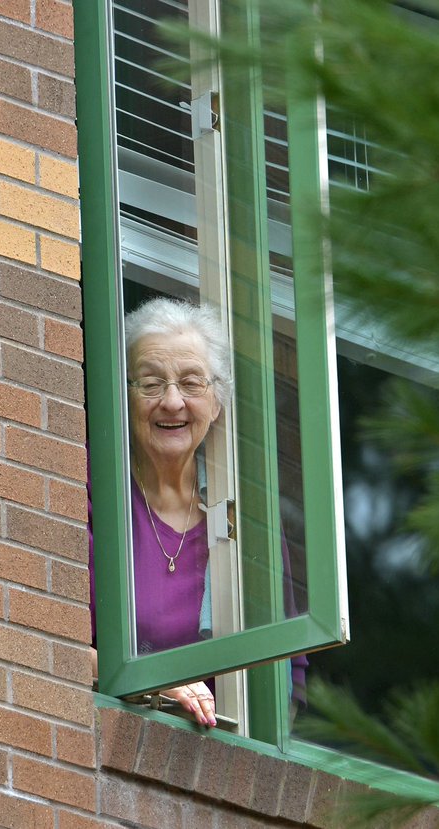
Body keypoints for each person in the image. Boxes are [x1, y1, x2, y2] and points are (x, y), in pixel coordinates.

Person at [89, 296, 306, 728]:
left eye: (191, 383)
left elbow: (285, 678)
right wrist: (151, 682)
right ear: (123, 395)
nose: (172, 402)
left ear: (217, 403)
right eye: (151, 383)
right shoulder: (89, 492)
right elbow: (45, 642)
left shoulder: (247, 518)